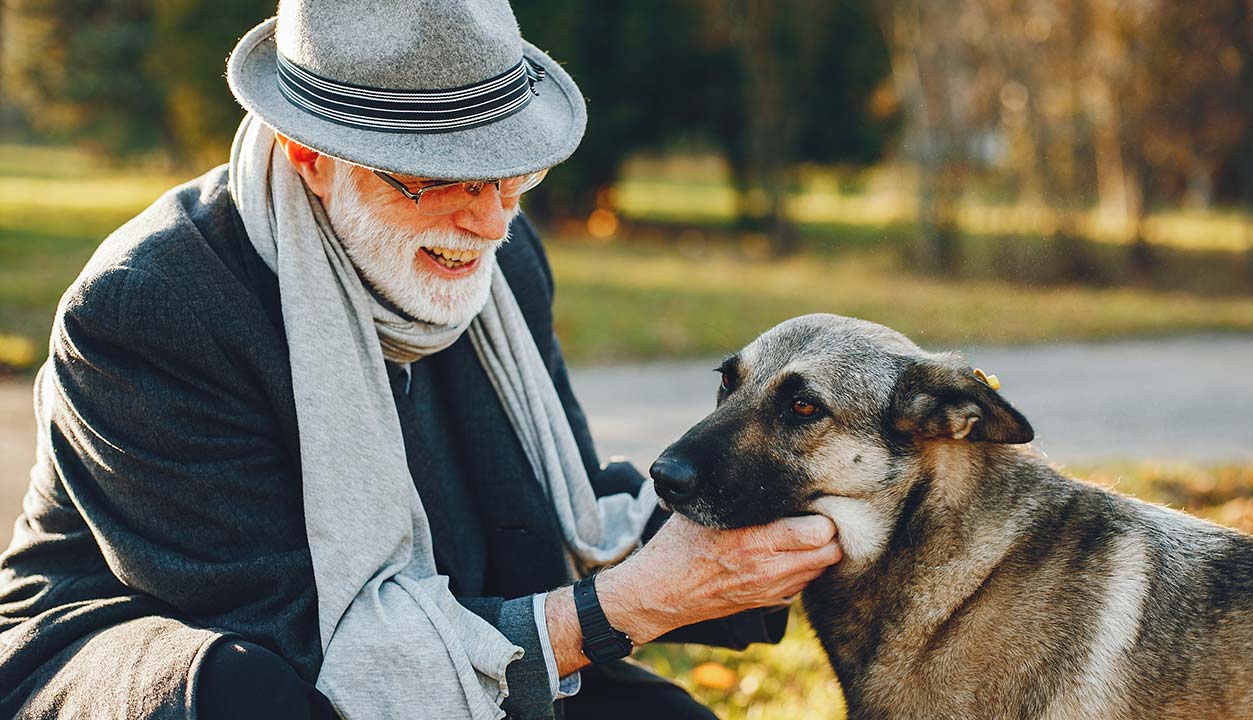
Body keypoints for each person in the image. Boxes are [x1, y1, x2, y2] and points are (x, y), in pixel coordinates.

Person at [0, 1, 843, 718]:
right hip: (191, 663)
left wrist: (769, 524)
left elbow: (552, 525)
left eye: (511, 171)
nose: (488, 219)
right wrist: (636, 601)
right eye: (438, 176)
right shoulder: (151, 307)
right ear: (310, 156)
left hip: (444, 626)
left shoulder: (504, 261)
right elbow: (303, 649)